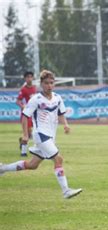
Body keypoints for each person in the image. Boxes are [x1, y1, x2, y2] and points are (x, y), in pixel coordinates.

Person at [0, 70, 82, 199]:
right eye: (46, 83)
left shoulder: (57, 98)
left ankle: (3, 169)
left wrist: (65, 124)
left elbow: (61, 113)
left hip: (50, 137)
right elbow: (25, 116)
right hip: (40, 135)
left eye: (51, 83)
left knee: (32, 165)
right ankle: (66, 191)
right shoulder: (36, 99)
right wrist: (25, 134)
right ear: (41, 84)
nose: (49, 85)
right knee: (58, 159)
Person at [16, 71, 37, 156]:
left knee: (31, 134)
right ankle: (23, 152)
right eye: (27, 77)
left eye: (31, 77)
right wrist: (23, 106)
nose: (29, 78)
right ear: (25, 78)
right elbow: (18, 101)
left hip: (33, 114)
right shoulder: (23, 89)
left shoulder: (35, 88)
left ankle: (22, 141)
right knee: (27, 133)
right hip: (26, 114)